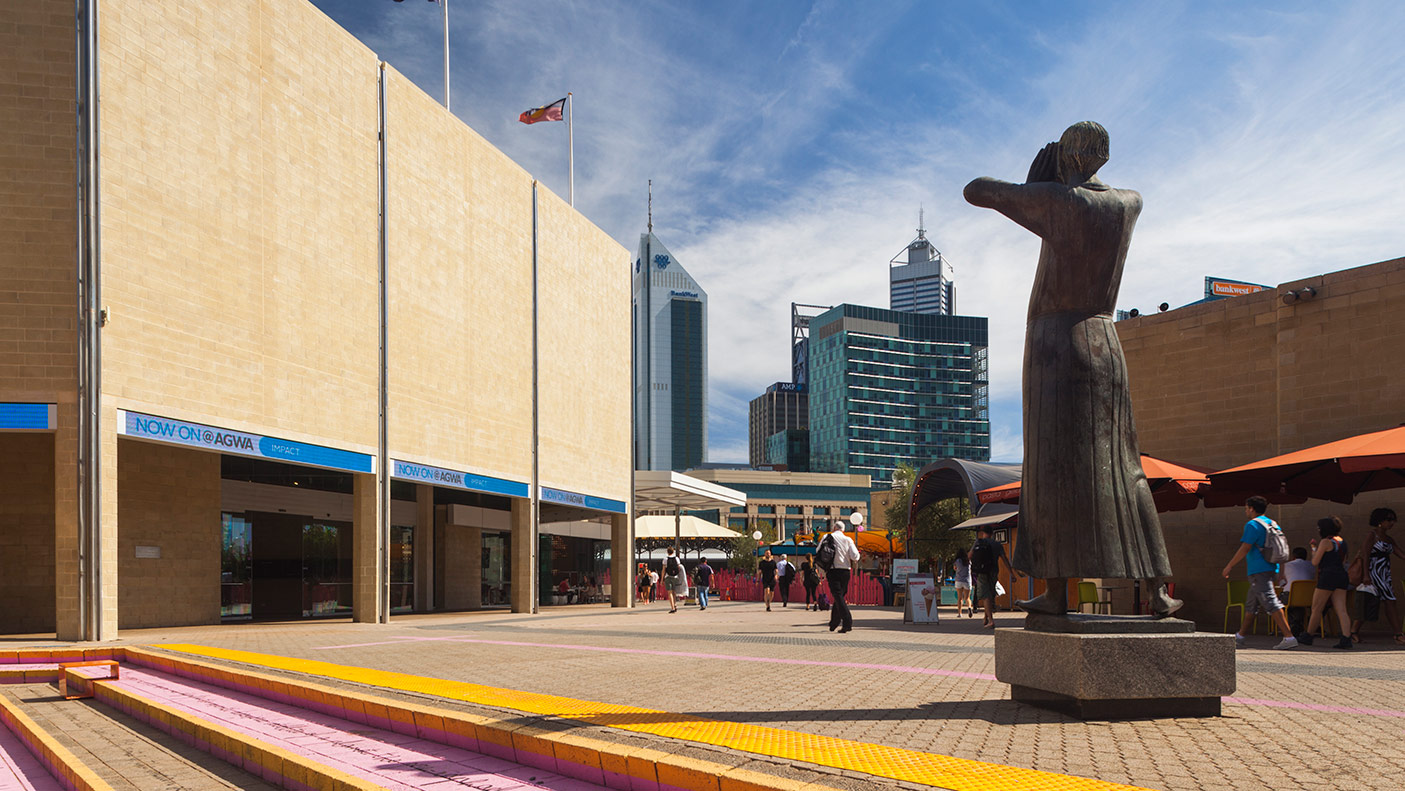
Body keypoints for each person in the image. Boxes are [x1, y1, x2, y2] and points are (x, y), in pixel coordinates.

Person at [964, 122, 1180, 618]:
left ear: (1068, 157)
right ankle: (1157, 593)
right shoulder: (1130, 202)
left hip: (1055, 343)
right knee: (1124, 468)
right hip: (1105, 339)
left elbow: (975, 190)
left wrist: (1038, 186)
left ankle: (1059, 590)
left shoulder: (1062, 203)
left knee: (1051, 472)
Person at [1221, 496, 1298, 649]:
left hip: (1258, 569)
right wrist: (1281, 571)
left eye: (1246, 508)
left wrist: (1229, 566)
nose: (1246, 511)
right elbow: (1281, 549)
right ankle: (1241, 635)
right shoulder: (1272, 523)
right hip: (1271, 567)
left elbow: (1245, 548)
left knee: (1271, 602)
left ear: (1251, 508)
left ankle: (1289, 637)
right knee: (1252, 604)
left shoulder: (1253, 525)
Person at [1349, 508, 1404, 644]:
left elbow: (1401, 554)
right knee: (1379, 601)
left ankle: (1354, 631)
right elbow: (1365, 555)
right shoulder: (1372, 535)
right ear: (1380, 521)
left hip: (1384, 574)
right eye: (1389, 520)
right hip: (1374, 573)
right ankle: (1397, 633)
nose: (1392, 523)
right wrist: (1366, 575)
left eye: (1393, 520)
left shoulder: (1389, 539)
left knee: (1381, 601)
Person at [1299, 516, 1353, 649]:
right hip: (1341, 575)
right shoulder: (1342, 542)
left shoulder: (1325, 542)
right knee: (1341, 609)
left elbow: (1315, 562)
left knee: (1317, 608)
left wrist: (1313, 549)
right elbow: (1343, 561)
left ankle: (1308, 635)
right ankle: (1346, 638)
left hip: (1328, 575)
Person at [822, 522, 862, 633]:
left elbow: (818, 551)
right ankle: (834, 623)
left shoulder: (827, 537)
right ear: (843, 530)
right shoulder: (848, 540)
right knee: (839, 597)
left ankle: (847, 622)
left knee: (838, 596)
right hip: (845, 571)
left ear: (834, 528)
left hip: (833, 570)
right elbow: (855, 556)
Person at [970, 526, 1013, 628]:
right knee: (990, 595)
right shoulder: (997, 545)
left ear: (983, 533)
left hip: (982, 572)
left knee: (985, 596)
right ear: (992, 533)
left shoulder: (978, 542)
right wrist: (1011, 573)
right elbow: (1004, 559)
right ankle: (986, 618)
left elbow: (969, 556)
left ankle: (991, 621)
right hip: (993, 572)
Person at [1278, 547, 1315, 635]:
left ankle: (1292, 624)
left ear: (1293, 556)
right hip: (1308, 598)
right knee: (1299, 607)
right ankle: (1298, 624)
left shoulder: (1286, 565)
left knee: (1279, 604)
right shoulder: (1312, 566)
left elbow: (1281, 583)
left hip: (1291, 596)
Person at [662, 546, 685, 614]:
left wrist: (662, 579)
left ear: (667, 552)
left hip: (668, 577)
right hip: (675, 577)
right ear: (673, 551)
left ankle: (672, 607)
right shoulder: (677, 559)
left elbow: (663, 570)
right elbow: (679, 568)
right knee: (674, 592)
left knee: (670, 593)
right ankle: (675, 605)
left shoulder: (665, 559)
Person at [953, 548, 973, 618]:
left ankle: (959, 613)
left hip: (959, 580)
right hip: (967, 580)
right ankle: (969, 607)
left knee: (959, 598)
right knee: (967, 597)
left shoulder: (957, 561)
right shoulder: (968, 561)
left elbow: (955, 568)